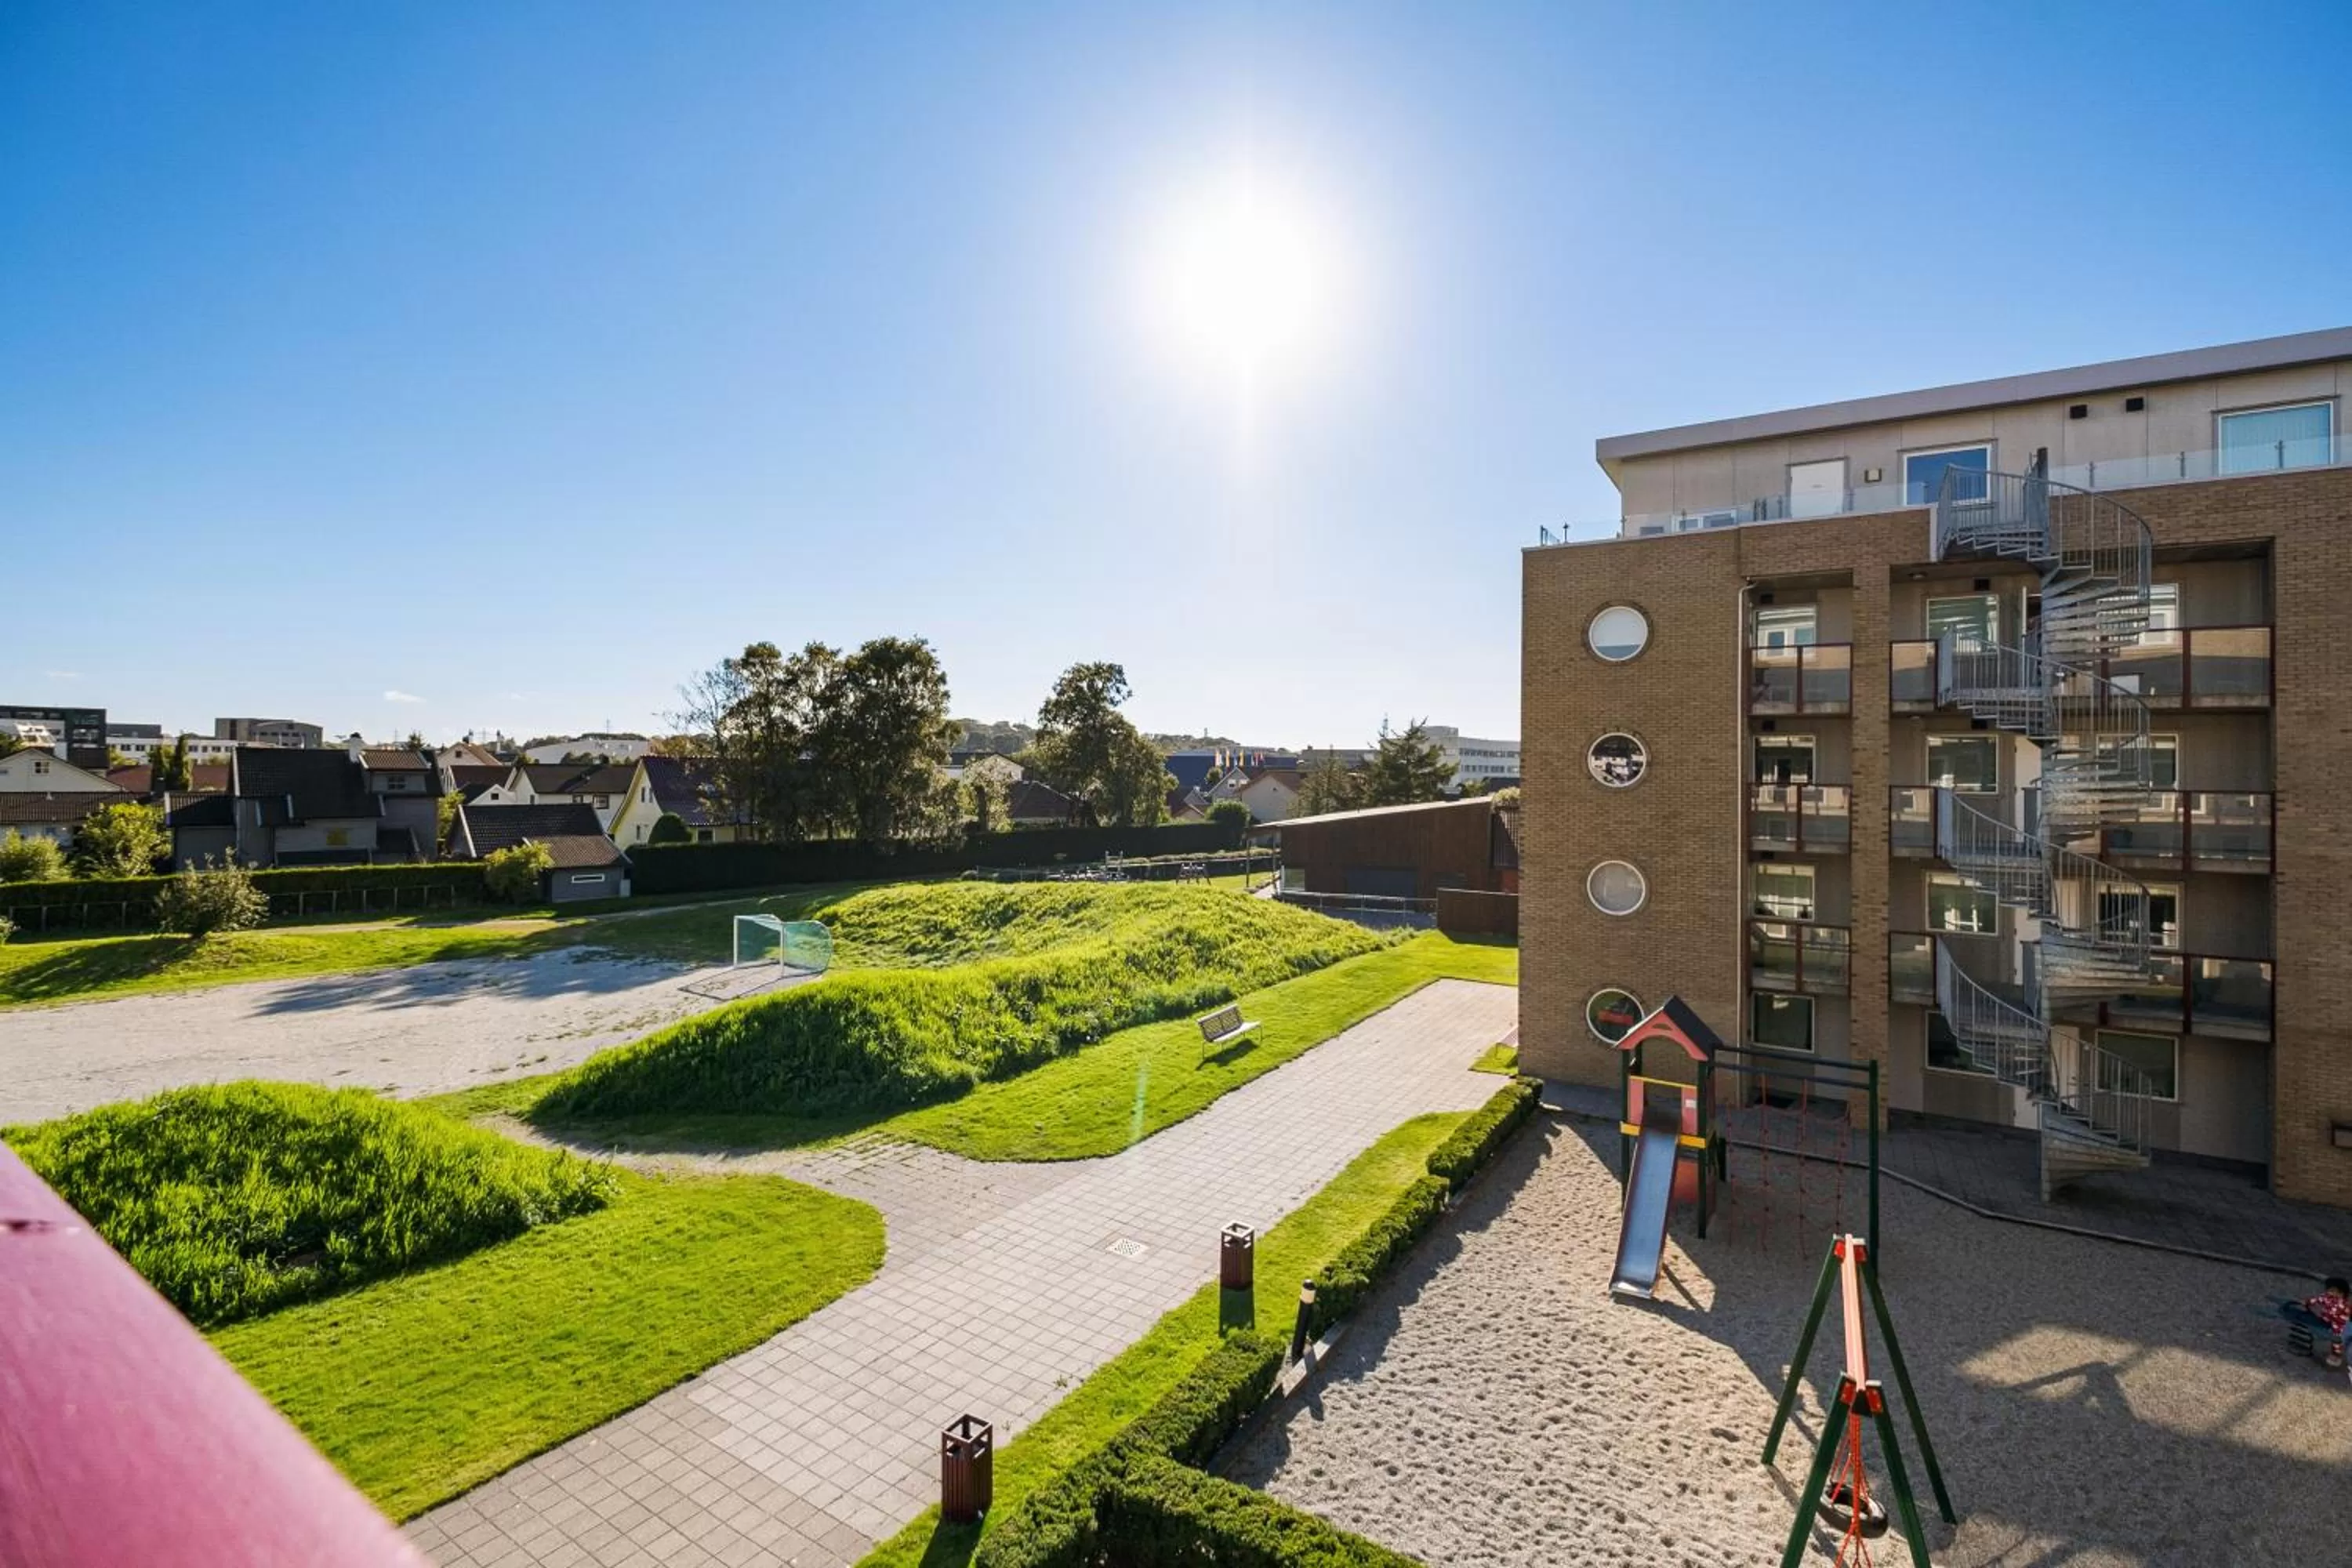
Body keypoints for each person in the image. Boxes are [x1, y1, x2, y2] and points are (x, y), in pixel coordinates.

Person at [2282, 1276, 2350, 1370]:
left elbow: (2336, 1312)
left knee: (2337, 1338)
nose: (2329, 1293)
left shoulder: (2344, 1304)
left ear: (2340, 1292)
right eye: (2329, 1290)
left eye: (2332, 1291)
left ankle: (2336, 1355)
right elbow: (2319, 1299)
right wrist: (2307, 1302)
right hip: (2327, 1319)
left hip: (2339, 1324)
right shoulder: (2328, 1297)